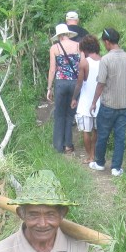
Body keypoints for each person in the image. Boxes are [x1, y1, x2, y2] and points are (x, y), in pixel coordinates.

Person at [89, 27, 126, 177]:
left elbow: (101, 83)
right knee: (120, 138)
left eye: (104, 42)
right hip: (124, 106)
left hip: (108, 106)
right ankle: (116, 168)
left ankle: (100, 163)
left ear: (107, 42)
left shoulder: (106, 59)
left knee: (103, 135)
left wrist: (94, 102)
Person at [47, 23, 81, 154]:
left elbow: (52, 69)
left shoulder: (54, 48)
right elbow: (81, 65)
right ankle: (68, 145)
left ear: (59, 36)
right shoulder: (78, 46)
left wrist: (49, 88)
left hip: (61, 83)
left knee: (59, 114)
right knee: (70, 114)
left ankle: (58, 146)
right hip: (74, 83)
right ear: (67, 34)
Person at [70, 34, 102, 165]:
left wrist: (74, 98)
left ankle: (90, 156)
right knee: (97, 131)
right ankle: (95, 154)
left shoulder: (84, 63)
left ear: (84, 48)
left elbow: (79, 83)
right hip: (100, 102)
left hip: (86, 101)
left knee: (86, 131)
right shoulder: (104, 60)